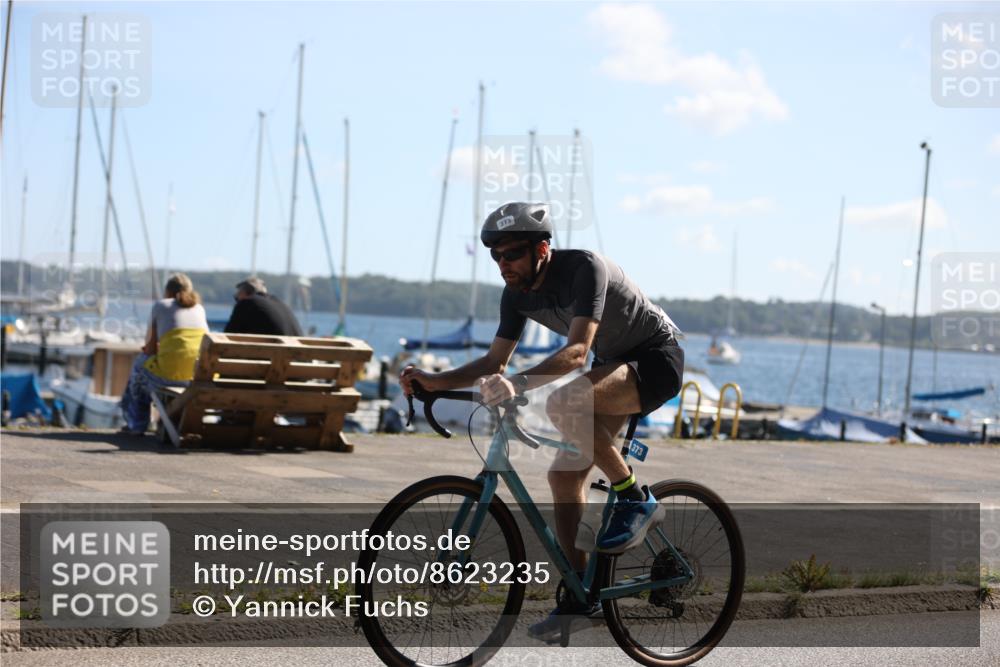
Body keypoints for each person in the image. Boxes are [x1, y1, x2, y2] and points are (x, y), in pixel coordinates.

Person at [399, 202, 684, 641]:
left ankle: (634, 499)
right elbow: (495, 359)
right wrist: (433, 382)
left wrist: (516, 384)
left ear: (542, 249)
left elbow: (576, 354)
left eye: (511, 254)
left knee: (564, 402)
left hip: (655, 359)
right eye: (496, 256)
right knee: (562, 479)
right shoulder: (515, 293)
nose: (502, 265)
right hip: (613, 365)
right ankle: (580, 598)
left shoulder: (583, 269)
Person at [119, 273, 209, 435]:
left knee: (139, 366)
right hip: (196, 377)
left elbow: (150, 349)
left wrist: (151, 349)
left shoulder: (161, 306)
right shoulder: (199, 308)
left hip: (169, 376)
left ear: (167, 291)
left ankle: (137, 424)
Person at [224, 277, 303, 336]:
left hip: (273, 356)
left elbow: (228, 335)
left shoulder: (246, 302)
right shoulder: (281, 304)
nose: (237, 301)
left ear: (245, 293)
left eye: (236, 298)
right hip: (297, 356)